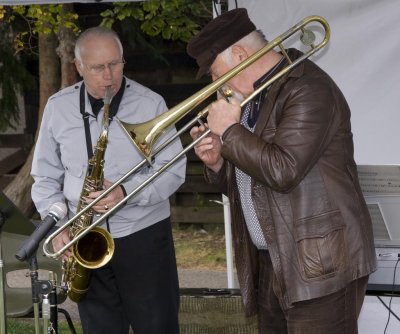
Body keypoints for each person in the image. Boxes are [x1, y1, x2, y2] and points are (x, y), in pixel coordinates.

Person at [187, 8, 376, 334]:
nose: (214, 84)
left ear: (241, 55)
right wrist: (219, 161)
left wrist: (230, 133)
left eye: (216, 74)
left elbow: (283, 170)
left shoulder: (307, 89)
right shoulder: (252, 98)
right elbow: (254, 183)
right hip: (274, 261)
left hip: (320, 267)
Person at [31, 26, 186, 334]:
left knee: (158, 327)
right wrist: (59, 226)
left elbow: (173, 169)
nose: (109, 76)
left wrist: (126, 191)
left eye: (115, 64)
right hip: (86, 238)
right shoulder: (58, 107)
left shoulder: (150, 103)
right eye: (98, 67)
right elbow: (45, 177)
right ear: (78, 67)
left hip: (144, 238)